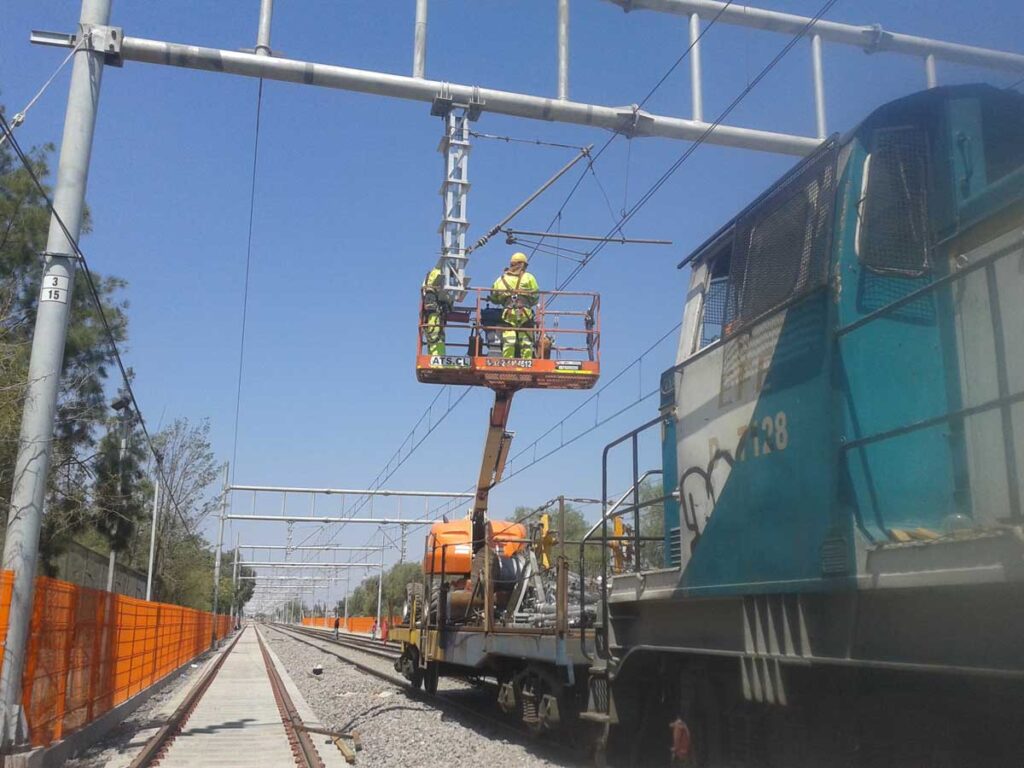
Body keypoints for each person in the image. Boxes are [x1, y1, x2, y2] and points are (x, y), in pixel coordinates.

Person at [488, 252, 539, 359]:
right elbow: (535, 297)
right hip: (525, 313)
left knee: (508, 341)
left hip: (508, 313)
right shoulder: (529, 277)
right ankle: (527, 363)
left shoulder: (501, 279)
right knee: (526, 342)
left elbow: (494, 297)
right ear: (523, 265)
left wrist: (503, 300)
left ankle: (508, 362)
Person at [422, 266, 451, 356]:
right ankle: (438, 357)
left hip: (431, 309)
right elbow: (443, 290)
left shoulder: (431, 273)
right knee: (437, 336)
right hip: (435, 313)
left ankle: (434, 355)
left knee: (433, 336)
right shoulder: (441, 272)